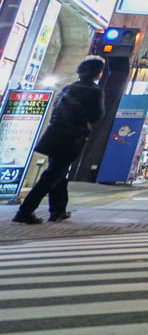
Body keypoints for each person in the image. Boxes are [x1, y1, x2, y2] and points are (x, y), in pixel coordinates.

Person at [14, 57, 106, 225]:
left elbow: (55, 109)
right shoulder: (95, 91)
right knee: (51, 176)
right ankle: (25, 211)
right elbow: (97, 115)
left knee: (58, 173)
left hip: (54, 135)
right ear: (97, 74)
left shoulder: (68, 88)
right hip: (71, 137)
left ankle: (58, 210)